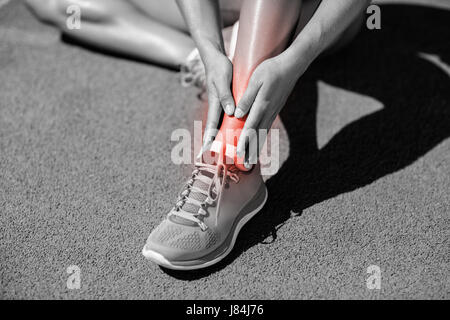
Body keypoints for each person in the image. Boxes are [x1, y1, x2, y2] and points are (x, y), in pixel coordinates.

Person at [27, 0, 369, 270]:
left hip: (317, 16)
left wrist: (296, 60)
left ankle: (235, 157)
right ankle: (213, 58)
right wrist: (207, 50)